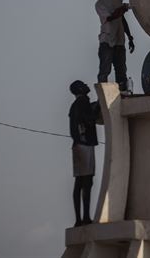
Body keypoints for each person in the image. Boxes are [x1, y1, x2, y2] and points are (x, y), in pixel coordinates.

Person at [93, 0, 135, 92]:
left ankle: (122, 93)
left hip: (119, 40)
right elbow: (111, 17)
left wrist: (130, 36)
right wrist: (123, 8)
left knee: (121, 70)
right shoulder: (99, 5)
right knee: (104, 70)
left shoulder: (116, 0)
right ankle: (103, 96)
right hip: (106, 40)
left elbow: (122, 19)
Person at [68, 80, 99, 227]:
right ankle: (83, 218)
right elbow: (89, 120)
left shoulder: (77, 105)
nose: (87, 86)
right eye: (84, 84)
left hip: (80, 144)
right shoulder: (82, 103)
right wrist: (97, 109)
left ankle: (81, 218)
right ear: (80, 89)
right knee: (85, 182)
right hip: (84, 144)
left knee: (81, 181)